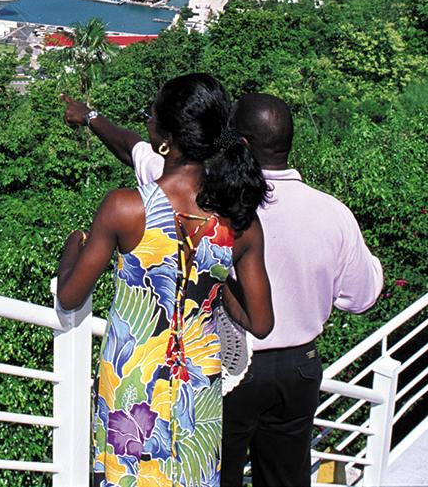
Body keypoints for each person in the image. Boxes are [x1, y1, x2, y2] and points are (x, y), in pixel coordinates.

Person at [63, 91, 384, 487]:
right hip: (251, 372)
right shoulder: (280, 218)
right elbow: (340, 303)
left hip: (176, 371)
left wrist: (70, 249)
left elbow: (71, 295)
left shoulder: (155, 203)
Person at [56, 74, 274, 487]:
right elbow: (261, 323)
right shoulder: (240, 223)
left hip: (132, 382)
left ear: (164, 138)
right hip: (199, 384)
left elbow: (69, 297)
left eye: (151, 116)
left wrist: (73, 248)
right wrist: (215, 278)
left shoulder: (126, 208)